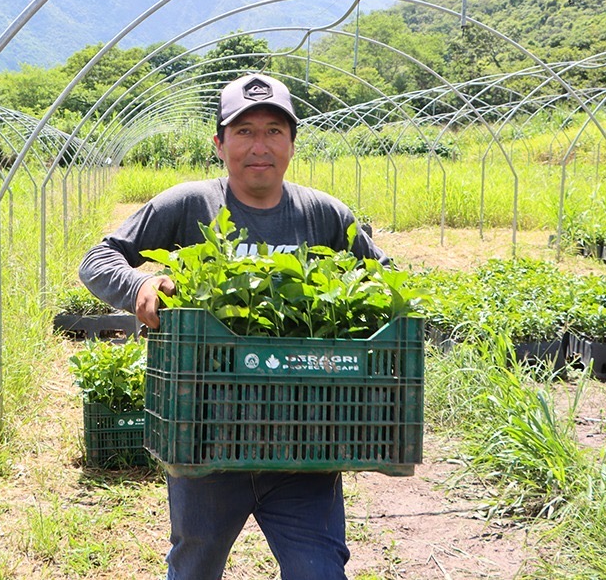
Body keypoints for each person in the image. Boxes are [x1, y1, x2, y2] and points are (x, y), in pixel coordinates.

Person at [79, 72, 388, 580]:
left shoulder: (326, 215)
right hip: (206, 439)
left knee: (320, 572)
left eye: (273, 130)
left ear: (292, 142)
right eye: (244, 131)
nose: (259, 145)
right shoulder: (189, 204)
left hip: (304, 445)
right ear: (219, 143)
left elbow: (383, 277)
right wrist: (139, 285)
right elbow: (98, 258)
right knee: (195, 568)